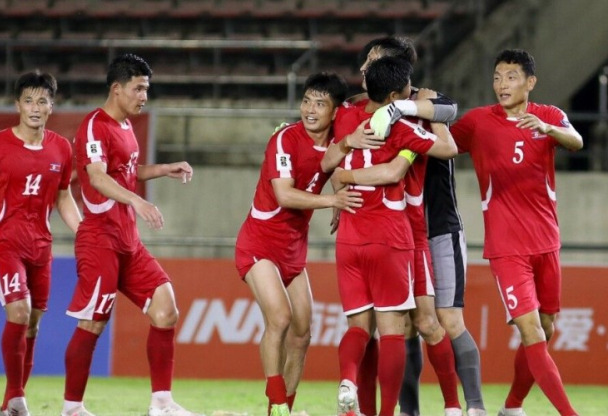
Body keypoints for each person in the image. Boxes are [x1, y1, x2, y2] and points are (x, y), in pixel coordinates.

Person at [325, 35, 486, 416]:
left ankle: (466, 406)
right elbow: (346, 162)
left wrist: (344, 179)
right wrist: (338, 191)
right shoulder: (358, 113)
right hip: (398, 230)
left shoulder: (423, 103)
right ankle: (416, 409)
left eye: (374, 63)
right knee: (403, 326)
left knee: (432, 321)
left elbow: (329, 162)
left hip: (424, 227)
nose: (366, 69)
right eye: (365, 63)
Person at [61, 53, 199, 416]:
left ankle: (162, 404)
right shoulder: (95, 124)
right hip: (100, 238)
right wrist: (137, 201)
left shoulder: (125, 128)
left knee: (166, 308)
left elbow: (127, 171)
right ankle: (72, 408)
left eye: (147, 89)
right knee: (93, 321)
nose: (144, 96)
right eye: (139, 89)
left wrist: (164, 169)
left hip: (128, 241)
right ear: (117, 88)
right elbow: (97, 176)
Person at [450, 49, 582, 416]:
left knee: (547, 327)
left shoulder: (549, 116)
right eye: (496, 77)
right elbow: (441, 147)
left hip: (547, 242)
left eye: (510, 76)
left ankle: (512, 406)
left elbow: (577, 141)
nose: (502, 84)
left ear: (530, 82)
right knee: (532, 334)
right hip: (507, 248)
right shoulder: (478, 122)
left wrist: (549, 129)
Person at [234, 72, 363, 416]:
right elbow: (284, 194)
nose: (309, 109)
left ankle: (283, 408)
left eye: (320, 103)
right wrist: (333, 203)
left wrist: (337, 189)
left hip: (293, 249)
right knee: (280, 318)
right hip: (259, 244)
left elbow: (329, 164)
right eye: (306, 100)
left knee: (303, 333)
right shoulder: (285, 139)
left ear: (335, 111)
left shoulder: (334, 140)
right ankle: (276, 401)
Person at [0, 71, 82, 416]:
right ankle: (17, 397)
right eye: (29, 100)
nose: (35, 107)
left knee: (32, 322)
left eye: (42, 100)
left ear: (52, 106)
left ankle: (9, 404)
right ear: (17, 105)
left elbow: (64, 198)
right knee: (17, 310)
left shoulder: (62, 148)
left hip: (40, 248)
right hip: (4, 244)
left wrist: (86, 234)